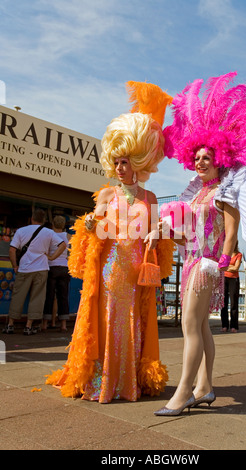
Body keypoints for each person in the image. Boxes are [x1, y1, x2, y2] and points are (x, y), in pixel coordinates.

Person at [154, 72, 246, 416]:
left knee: (190, 325)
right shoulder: (197, 192)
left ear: (219, 157)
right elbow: (190, 233)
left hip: (206, 266)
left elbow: (231, 233)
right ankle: (205, 386)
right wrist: (168, 233)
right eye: (198, 157)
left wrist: (220, 262)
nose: (202, 162)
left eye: (208, 157)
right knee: (201, 325)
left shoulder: (225, 191)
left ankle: (184, 393)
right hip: (192, 260)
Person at [45, 82, 175, 403]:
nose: (120, 167)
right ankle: (104, 378)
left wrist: (158, 230)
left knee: (133, 317)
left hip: (136, 270)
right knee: (107, 315)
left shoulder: (151, 197)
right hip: (110, 267)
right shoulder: (106, 193)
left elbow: (157, 230)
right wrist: (89, 224)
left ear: (140, 162)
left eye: (126, 161)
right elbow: (94, 224)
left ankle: (130, 379)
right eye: (116, 161)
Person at [2, 209, 67, 335]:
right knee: (37, 297)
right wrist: (52, 257)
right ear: (43, 221)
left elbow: (11, 250)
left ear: (32, 218)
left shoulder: (21, 231)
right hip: (41, 269)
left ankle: (10, 324)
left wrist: (15, 265)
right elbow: (63, 245)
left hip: (24, 268)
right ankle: (28, 326)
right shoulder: (48, 232)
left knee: (18, 296)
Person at [42, 215, 70, 332]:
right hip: (64, 268)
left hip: (51, 267)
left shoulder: (48, 235)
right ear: (64, 225)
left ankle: (45, 323)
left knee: (49, 295)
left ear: (53, 224)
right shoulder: (68, 236)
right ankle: (63, 324)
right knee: (63, 296)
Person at [221, 242, 242, 333]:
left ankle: (234, 326)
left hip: (234, 279)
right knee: (223, 303)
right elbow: (220, 265)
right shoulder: (225, 254)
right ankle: (224, 325)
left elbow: (236, 268)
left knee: (234, 303)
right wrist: (229, 267)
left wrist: (226, 267)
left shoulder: (238, 255)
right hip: (224, 279)